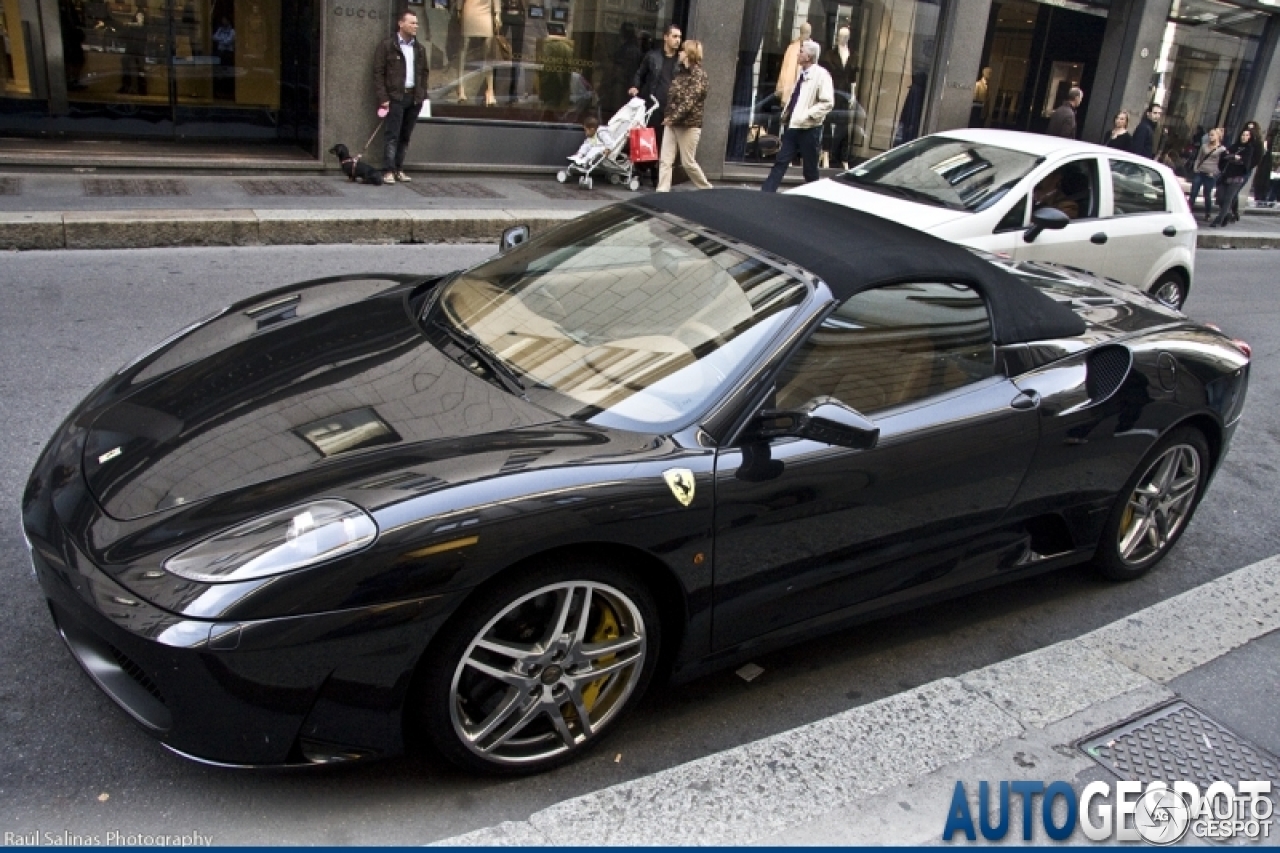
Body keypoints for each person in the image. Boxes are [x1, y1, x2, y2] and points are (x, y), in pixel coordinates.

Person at [761, 39, 833, 193]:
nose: (798, 54)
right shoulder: (801, 74)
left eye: (801, 52)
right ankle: (766, 193)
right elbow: (796, 97)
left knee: (810, 169)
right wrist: (787, 114)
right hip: (794, 126)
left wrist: (808, 115)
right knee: (781, 161)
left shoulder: (821, 75)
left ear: (809, 57)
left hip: (810, 128)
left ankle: (815, 196)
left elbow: (827, 102)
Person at [374, 10, 429, 184]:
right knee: (392, 135)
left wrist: (422, 94)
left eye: (417, 23)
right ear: (401, 24)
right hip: (396, 97)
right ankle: (388, 170)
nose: (416, 26)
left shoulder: (419, 48)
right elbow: (378, 73)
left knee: (405, 135)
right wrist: (384, 97)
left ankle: (399, 168)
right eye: (412, 23)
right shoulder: (387, 45)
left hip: (414, 98)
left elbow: (424, 72)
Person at [629, 23, 681, 187]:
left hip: (671, 108)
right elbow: (640, 73)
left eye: (679, 37)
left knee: (664, 142)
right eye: (674, 36)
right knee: (648, 139)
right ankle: (641, 170)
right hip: (653, 105)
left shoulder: (681, 60)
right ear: (666, 37)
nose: (677, 40)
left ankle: (656, 173)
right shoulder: (653, 56)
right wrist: (635, 86)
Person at [657, 39, 712, 192]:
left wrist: (672, 117)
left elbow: (690, 101)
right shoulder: (680, 73)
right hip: (672, 123)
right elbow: (673, 97)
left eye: (682, 50)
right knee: (665, 160)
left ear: (689, 54)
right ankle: (662, 192)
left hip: (689, 125)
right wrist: (669, 117)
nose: (679, 53)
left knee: (688, 162)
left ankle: (708, 190)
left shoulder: (699, 75)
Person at [1209, 127, 1254, 228]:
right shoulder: (1234, 146)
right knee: (1220, 197)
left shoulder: (1249, 149)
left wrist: (1233, 158)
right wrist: (1233, 157)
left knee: (1228, 199)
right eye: (1243, 135)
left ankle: (1218, 220)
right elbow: (1224, 156)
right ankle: (1227, 214)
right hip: (1226, 176)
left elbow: (1244, 163)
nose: (1244, 137)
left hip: (1237, 178)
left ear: (1250, 138)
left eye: (1247, 135)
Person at [1189, 127, 1225, 221]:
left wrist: (1215, 173)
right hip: (1200, 172)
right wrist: (1195, 168)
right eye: (1209, 135)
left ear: (1218, 136)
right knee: (1193, 192)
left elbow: (1222, 164)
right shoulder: (1204, 146)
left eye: (1212, 135)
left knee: (1207, 194)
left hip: (1210, 174)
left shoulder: (1222, 149)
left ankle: (1208, 213)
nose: (1210, 137)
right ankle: (1188, 211)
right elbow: (1199, 157)